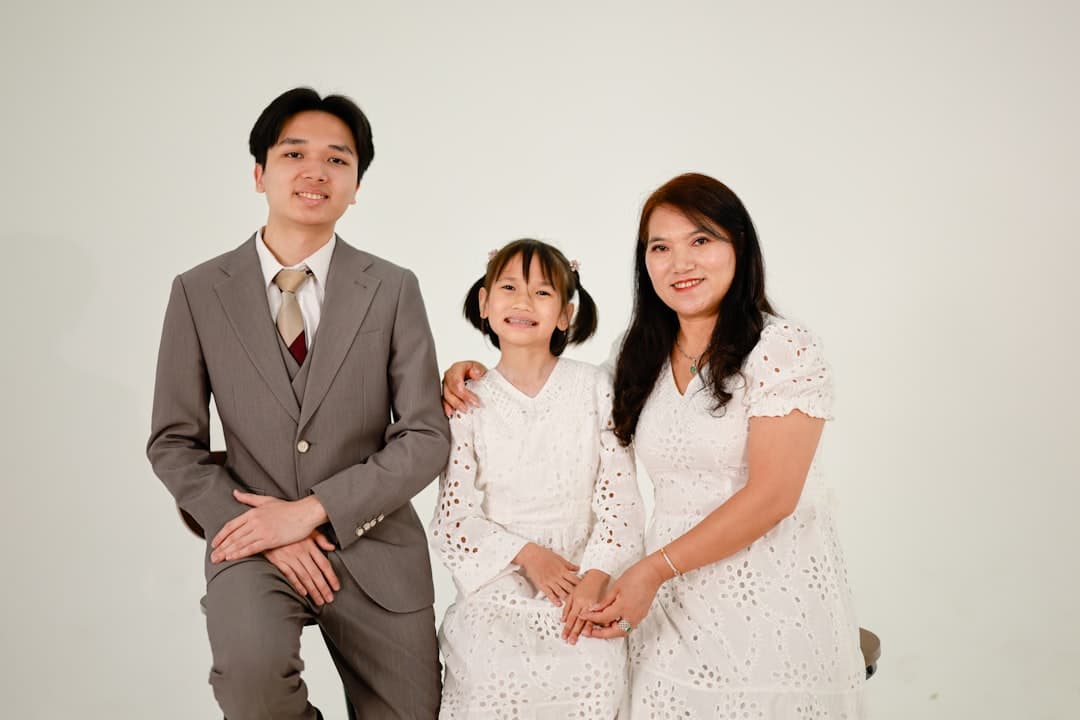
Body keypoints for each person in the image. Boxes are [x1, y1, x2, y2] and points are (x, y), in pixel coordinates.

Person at [443, 174, 863, 718]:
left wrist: (651, 570)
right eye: (660, 248)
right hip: (667, 613)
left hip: (769, 600)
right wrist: (468, 375)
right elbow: (550, 397)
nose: (680, 263)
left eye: (700, 240)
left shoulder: (780, 346)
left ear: (740, 246)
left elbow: (774, 496)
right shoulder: (638, 355)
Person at [147, 87, 450, 720]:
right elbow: (173, 443)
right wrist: (263, 530)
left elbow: (425, 435)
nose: (316, 171)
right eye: (294, 154)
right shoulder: (198, 291)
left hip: (374, 545)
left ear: (356, 185)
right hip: (252, 546)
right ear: (259, 173)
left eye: (338, 160)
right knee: (252, 685)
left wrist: (312, 513)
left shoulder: (392, 288)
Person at [431, 239, 645, 719]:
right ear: (484, 303)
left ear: (566, 314)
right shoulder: (467, 400)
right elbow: (453, 519)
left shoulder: (595, 387)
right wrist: (529, 556)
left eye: (542, 292)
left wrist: (593, 578)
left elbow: (621, 504)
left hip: (585, 579)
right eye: (509, 287)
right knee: (488, 669)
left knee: (591, 665)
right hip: (498, 582)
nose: (524, 302)